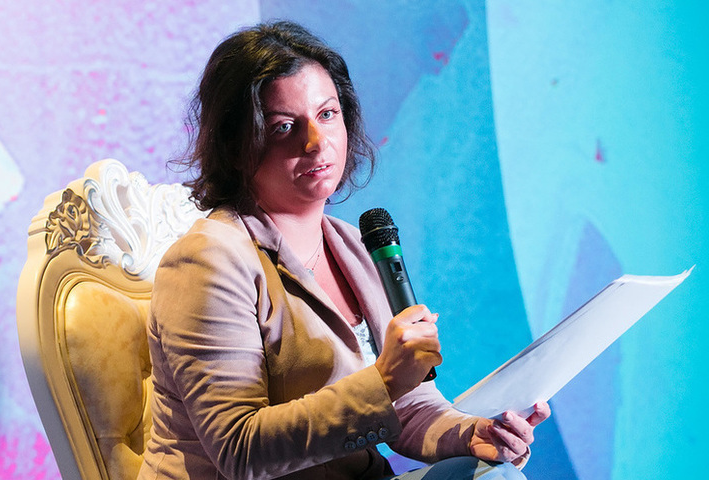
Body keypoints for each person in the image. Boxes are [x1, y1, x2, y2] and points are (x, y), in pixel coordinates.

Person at [139, 21, 550, 480]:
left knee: (493, 473)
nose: (317, 142)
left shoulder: (354, 245)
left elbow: (409, 406)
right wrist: (385, 380)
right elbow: (239, 450)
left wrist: (473, 433)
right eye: (283, 127)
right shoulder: (208, 261)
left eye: (327, 114)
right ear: (236, 146)